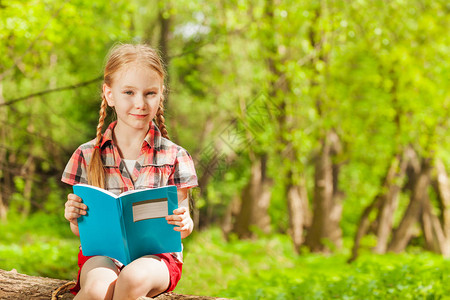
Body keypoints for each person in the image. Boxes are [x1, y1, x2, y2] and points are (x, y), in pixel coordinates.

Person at [61, 43, 198, 300]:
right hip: (102, 254)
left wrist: (185, 222)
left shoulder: (176, 156)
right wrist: (73, 217)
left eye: (149, 93)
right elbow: (80, 230)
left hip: (158, 257)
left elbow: (183, 226)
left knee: (131, 279)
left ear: (161, 96)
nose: (140, 103)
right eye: (129, 92)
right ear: (109, 94)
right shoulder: (87, 154)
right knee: (96, 289)